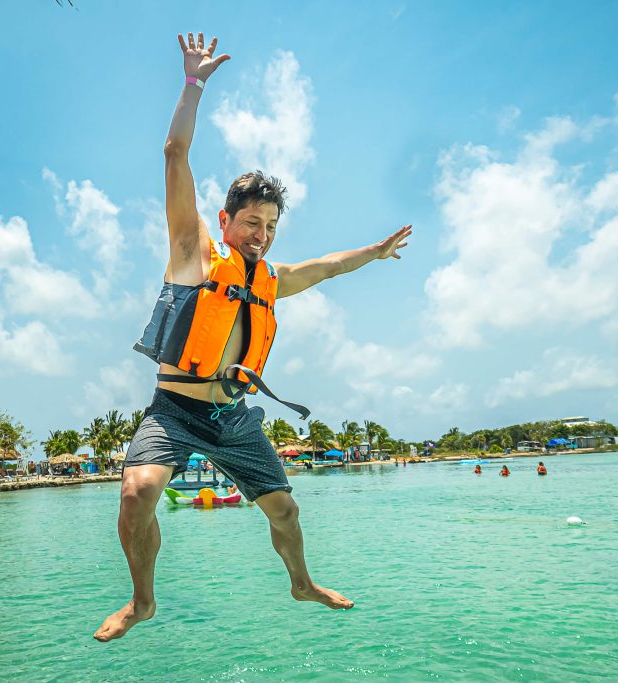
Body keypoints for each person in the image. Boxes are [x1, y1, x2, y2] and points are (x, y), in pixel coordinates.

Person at [95, 32, 411, 642]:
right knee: (137, 491)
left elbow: (327, 266)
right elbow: (174, 152)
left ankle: (301, 581)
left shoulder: (272, 277)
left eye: (269, 226)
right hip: (176, 409)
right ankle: (141, 602)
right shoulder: (194, 253)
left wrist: (373, 253)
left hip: (233, 416)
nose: (261, 235)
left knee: (286, 510)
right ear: (225, 220)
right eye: (250, 223)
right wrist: (194, 83)